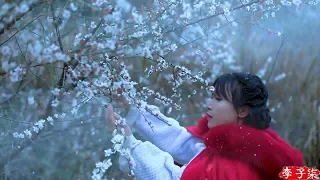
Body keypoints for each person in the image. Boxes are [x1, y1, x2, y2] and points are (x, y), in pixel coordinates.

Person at [105, 72, 304, 180]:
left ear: (242, 111)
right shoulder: (246, 147)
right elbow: (183, 143)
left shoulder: (231, 166)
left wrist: (128, 141)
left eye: (218, 99)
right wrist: (135, 108)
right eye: (212, 97)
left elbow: (168, 177)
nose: (209, 104)